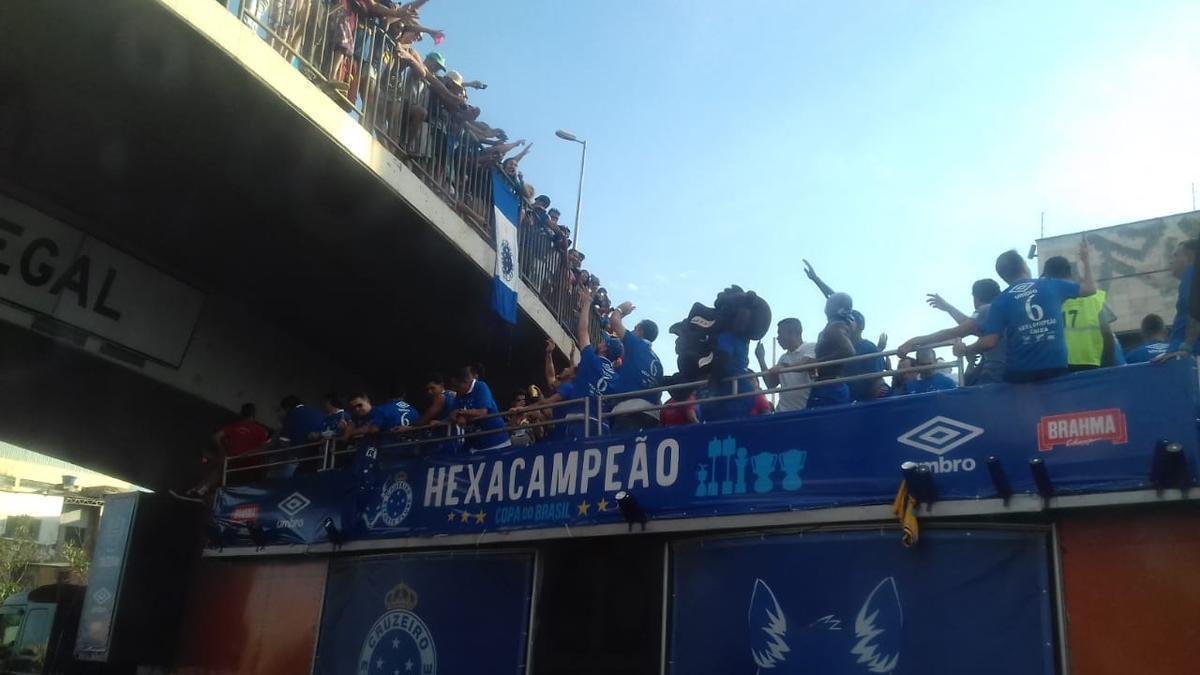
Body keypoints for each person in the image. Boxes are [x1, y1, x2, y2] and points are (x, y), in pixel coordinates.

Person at [957, 241, 1096, 383]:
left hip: (1021, 375)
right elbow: (1090, 289)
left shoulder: (1000, 301)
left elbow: (989, 342)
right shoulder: (1051, 284)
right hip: (1055, 367)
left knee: (1024, 406)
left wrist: (965, 350)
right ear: (1024, 266)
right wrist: (1085, 261)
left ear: (1003, 277)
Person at [803, 261, 885, 400]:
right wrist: (816, 280)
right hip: (843, 396)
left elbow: (877, 379)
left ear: (860, 326)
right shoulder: (836, 339)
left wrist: (818, 362)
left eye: (853, 319)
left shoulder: (868, 348)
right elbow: (835, 300)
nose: (848, 321)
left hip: (859, 404)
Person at [897, 279, 1004, 385]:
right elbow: (971, 325)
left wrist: (914, 341)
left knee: (966, 387)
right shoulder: (998, 310)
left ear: (976, 298)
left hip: (997, 375)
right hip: (1007, 371)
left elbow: (954, 332)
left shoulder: (985, 309)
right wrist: (948, 307)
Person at [171, 404, 269, 501]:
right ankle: (203, 492)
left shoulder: (236, 427)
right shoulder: (261, 430)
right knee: (219, 468)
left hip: (235, 462)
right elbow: (264, 448)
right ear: (254, 415)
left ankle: (199, 491)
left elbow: (216, 437)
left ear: (241, 414)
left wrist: (224, 451)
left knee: (218, 468)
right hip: (247, 465)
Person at [1043, 255, 1116, 370]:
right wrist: (1110, 367)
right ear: (1069, 273)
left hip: (1059, 366)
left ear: (1048, 277)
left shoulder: (1046, 302)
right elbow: (1107, 334)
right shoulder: (1094, 298)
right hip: (1092, 364)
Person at [604, 301, 664, 431]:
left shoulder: (636, 344)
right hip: (652, 416)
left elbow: (614, 321)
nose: (632, 330)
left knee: (624, 449)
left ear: (641, 331)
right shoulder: (658, 362)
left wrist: (621, 309)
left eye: (635, 328)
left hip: (629, 412)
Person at [755, 318, 817, 412]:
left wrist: (784, 367)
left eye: (780, 333)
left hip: (805, 410)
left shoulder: (811, 347)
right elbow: (770, 384)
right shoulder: (783, 358)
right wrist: (761, 359)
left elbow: (806, 363)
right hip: (782, 412)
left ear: (793, 332)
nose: (778, 337)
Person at [446, 366, 511, 452]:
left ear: (465, 382)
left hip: (496, 442)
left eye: (456, 386)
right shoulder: (459, 394)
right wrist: (460, 416)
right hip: (475, 445)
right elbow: (452, 414)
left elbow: (482, 412)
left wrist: (462, 414)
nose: (454, 389)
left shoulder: (481, 387)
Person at [809, 293, 857, 407]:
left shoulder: (835, 327)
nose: (826, 305)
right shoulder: (837, 325)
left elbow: (849, 351)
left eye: (830, 302)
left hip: (830, 386)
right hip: (828, 384)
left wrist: (818, 362)